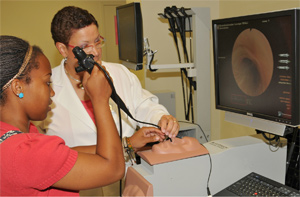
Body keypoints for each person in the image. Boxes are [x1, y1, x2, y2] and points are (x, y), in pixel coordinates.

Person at [33, 6, 180, 154]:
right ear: (63, 49)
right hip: (80, 175)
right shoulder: (46, 88)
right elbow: (45, 152)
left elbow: (144, 105)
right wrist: (127, 144)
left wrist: (161, 118)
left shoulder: (119, 73)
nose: (95, 52)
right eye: (84, 47)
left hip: (127, 171)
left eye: (97, 42)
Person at [0, 35, 125, 196]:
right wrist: (99, 99)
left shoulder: (15, 137)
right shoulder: (25, 152)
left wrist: (128, 145)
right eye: (47, 83)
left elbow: (64, 156)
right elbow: (113, 169)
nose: (52, 92)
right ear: (18, 87)